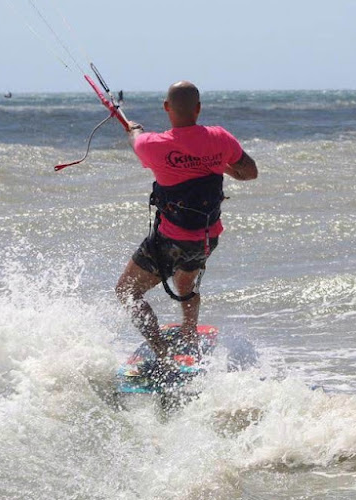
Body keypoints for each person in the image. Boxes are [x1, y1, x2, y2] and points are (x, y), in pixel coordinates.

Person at [115, 81, 258, 379]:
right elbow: (249, 172)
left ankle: (163, 352)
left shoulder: (151, 144)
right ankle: (189, 334)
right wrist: (219, 164)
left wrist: (134, 128)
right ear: (198, 108)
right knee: (186, 284)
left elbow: (136, 139)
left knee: (127, 291)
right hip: (206, 238)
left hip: (170, 240)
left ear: (167, 108)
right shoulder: (220, 138)